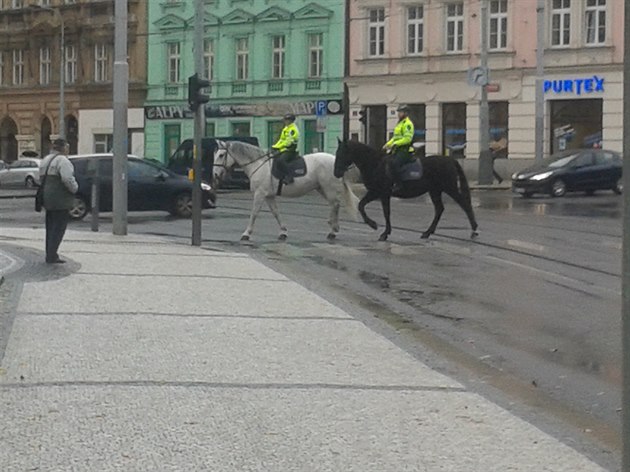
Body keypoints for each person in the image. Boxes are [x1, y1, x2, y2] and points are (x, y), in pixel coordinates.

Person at [40, 138, 78, 264]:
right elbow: (67, 179)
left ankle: (49, 253)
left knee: (50, 227)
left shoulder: (46, 160)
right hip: (60, 199)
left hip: (47, 198)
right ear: (63, 148)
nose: (68, 150)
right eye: (67, 147)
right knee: (59, 228)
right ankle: (52, 255)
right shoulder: (63, 160)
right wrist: (75, 188)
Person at [383, 105, 415, 189]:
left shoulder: (408, 124)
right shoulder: (400, 124)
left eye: (400, 112)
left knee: (395, 163)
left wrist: (395, 144)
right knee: (385, 161)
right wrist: (388, 144)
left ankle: (399, 184)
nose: (398, 114)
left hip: (405, 150)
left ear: (406, 113)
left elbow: (407, 139)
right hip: (397, 149)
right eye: (399, 112)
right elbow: (395, 137)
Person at [272, 113, 300, 184]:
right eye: (284, 120)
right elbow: (281, 140)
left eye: (286, 120)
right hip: (283, 149)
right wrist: (275, 147)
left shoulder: (292, 130)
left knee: (280, 161)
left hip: (290, 150)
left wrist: (278, 147)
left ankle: (289, 176)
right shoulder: (286, 129)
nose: (284, 122)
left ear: (290, 121)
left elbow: (289, 142)